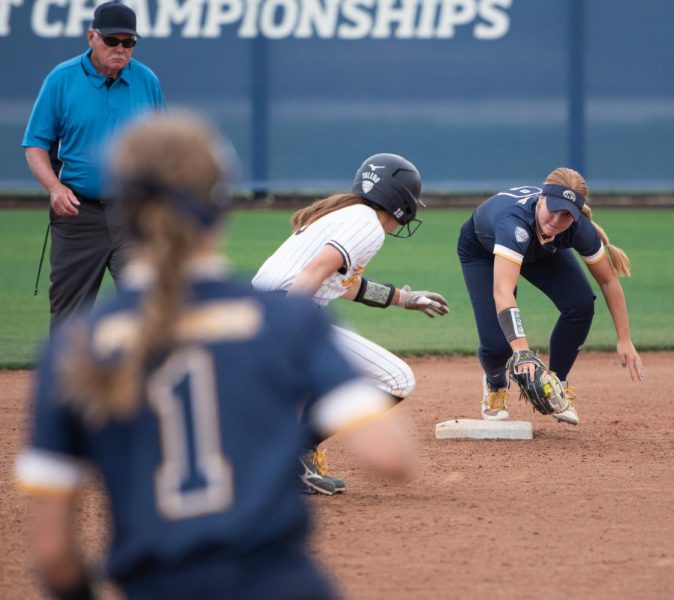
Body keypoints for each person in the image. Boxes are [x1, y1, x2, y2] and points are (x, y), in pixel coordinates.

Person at [15, 113, 414, 600]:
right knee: (396, 379)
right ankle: (298, 452)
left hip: (154, 583)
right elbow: (391, 457)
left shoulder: (75, 347)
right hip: (278, 584)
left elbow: (54, 555)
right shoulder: (286, 324)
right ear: (219, 205)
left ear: (123, 210)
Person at [252, 153, 448, 495]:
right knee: (397, 378)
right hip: (285, 308)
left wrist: (404, 298)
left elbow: (341, 283)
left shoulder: (349, 215)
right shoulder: (368, 225)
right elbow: (314, 273)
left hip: (269, 306)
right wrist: (289, 328)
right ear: (400, 200)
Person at [456, 167, 644, 426]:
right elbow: (503, 291)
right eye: (553, 208)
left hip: (541, 249)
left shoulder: (578, 228)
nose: (556, 219)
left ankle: (556, 385)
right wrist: (521, 350)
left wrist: (625, 339)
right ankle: (496, 384)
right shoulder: (513, 223)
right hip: (483, 250)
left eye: (566, 214)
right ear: (541, 198)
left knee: (580, 304)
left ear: (576, 215)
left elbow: (608, 281)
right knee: (499, 346)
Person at [22, 1, 166, 330]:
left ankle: (143, 381)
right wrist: (54, 188)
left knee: (150, 307)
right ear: (91, 37)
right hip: (78, 214)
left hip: (134, 214)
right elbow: (35, 144)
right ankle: (66, 382)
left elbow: (162, 146)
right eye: (111, 41)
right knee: (70, 315)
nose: (120, 49)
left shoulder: (146, 81)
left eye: (128, 42)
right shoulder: (61, 79)